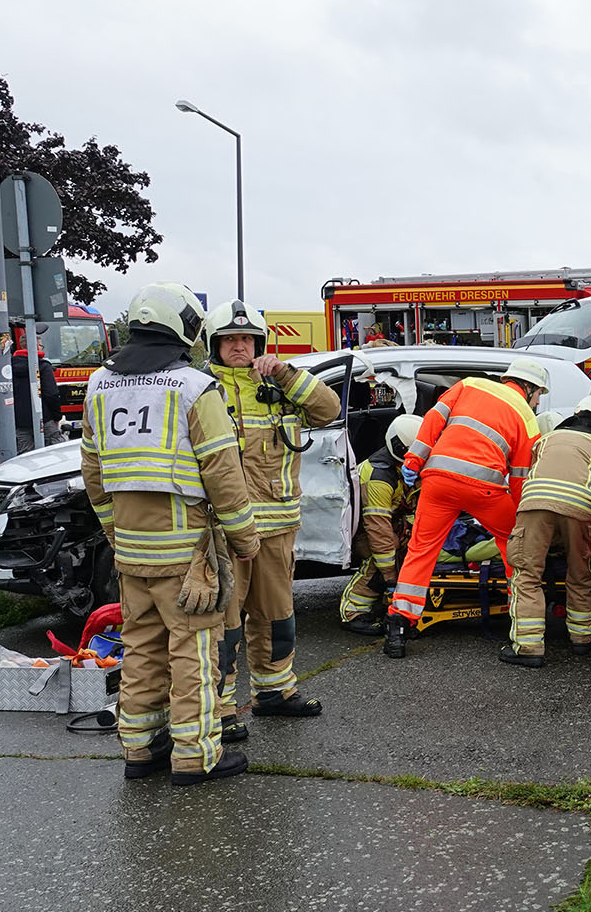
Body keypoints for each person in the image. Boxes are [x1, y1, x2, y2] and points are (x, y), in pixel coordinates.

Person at [80, 282, 258, 786]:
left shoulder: (98, 386)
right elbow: (224, 476)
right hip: (186, 556)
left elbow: (93, 474)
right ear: (185, 328)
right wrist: (245, 541)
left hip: (132, 553)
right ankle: (196, 757)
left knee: (138, 648)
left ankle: (140, 750)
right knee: (193, 652)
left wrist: (116, 535)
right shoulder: (195, 389)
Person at [200, 300, 341, 738]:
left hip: (277, 527)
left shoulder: (281, 385)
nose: (239, 346)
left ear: (259, 343)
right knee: (224, 621)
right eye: (229, 339)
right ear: (215, 345)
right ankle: (220, 708)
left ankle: (274, 692)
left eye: (246, 339)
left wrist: (283, 373)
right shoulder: (202, 390)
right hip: (223, 531)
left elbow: (329, 409)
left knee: (276, 614)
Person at [384, 357, 550, 658]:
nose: (538, 401)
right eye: (539, 394)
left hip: (437, 482)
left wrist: (414, 460)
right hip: (485, 489)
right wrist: (519, 519)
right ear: (528, 388)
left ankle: (399, 623)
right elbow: (519, 477)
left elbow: (432, 420)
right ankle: (521, 615)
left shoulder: (468, 385)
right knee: (512, 544)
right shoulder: (527, 418)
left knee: (421, 549)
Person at [503, 396, 591, 667]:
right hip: (582, 507)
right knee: (581, 573)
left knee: (527, 573)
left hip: (535, 502)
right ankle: (582, 639)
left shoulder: (547, 439)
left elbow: (536, 474)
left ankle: (528, 647)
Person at [339, 414, 423, 636]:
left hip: (390, 524)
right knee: (383, 556)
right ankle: (354, 611)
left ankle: (395, 608)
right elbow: (378, 532)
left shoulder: (400, 469)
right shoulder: (379, 477)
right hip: (363, 533)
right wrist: (390, 577)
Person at [10, 322, 63, 451]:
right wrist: (57, 416)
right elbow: (51, 394)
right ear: (36, 346)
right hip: (44, 419)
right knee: (57, 454)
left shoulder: (8, 366)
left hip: (20, 421)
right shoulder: (43, 366)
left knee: (25, 457)